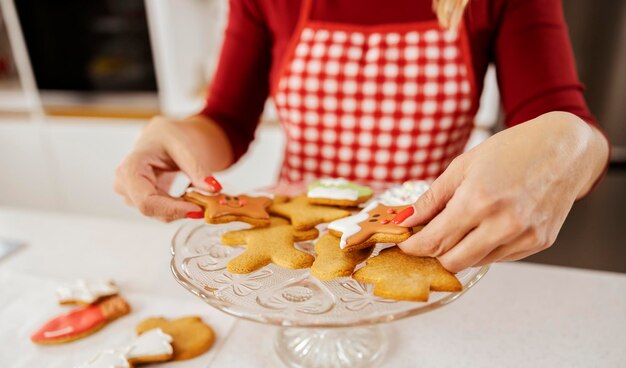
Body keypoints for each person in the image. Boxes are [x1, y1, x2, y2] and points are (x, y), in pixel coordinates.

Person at [114, 0, 609, 272]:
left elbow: (561, 123)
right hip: (302, 249)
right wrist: (172, 137)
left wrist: (572, 146)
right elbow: (226, 121)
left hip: (422, 245)